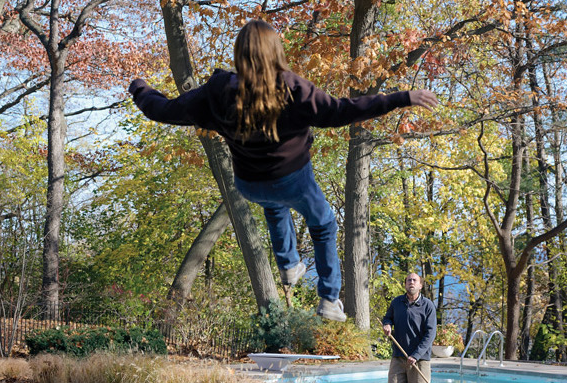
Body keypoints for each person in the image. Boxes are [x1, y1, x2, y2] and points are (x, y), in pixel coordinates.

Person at [128, 19, 438, 321]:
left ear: (240, 54)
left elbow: (165, 110)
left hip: (249, 183)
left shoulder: (217, 92)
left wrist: (141, 88)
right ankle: (329, 299)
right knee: (324, 224)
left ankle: (290, 265)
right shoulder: (291, 88)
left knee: (274, 207)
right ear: (276, 51)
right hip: (293, 180)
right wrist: (402, 97)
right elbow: (342, 110)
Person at [381, 273, 437, 383]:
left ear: (420, 285)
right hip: (398, 357)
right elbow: (388, 317)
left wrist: (416, 355)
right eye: (408, 280)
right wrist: (387, 324)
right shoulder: (397, 302)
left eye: (414, 280)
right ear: (405, 284)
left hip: (420, 360)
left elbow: (430, 334)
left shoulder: (428, 306)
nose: (411, 282)